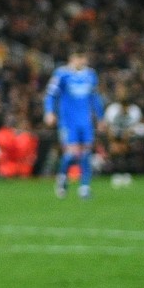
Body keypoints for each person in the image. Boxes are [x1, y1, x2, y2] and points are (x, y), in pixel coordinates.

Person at [44, 50, 105, 199]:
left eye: (84, 58)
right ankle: (62, 177)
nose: (82, 61)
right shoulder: (62, 74)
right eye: (79, 58)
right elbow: (51, 94)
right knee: (72, 153)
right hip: (68, 121)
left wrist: (100, 117)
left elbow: (95, 98)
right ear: (72, 58)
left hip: (85, 121)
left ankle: (84, 187)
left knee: (86, 153)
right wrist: (49, 112)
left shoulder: (90, 75)